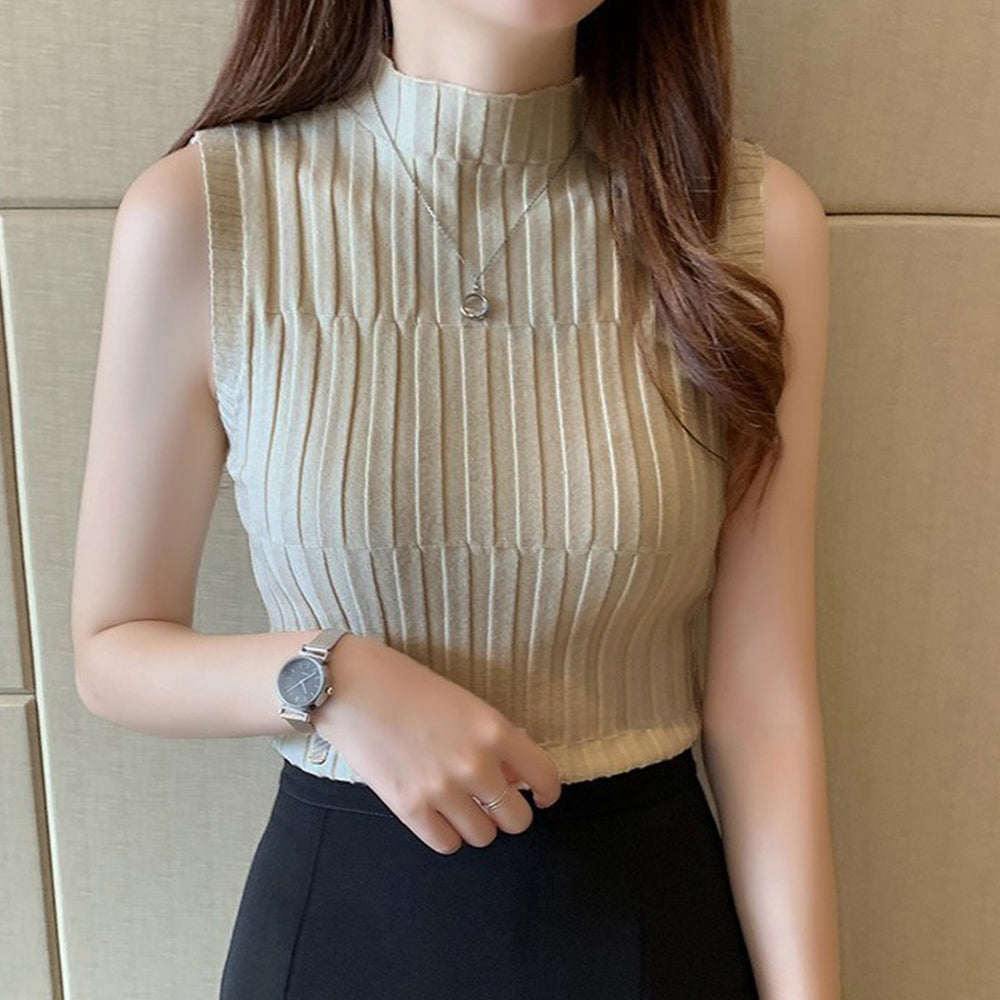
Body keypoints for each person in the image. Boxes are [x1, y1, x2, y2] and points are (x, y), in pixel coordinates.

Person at [71, 1, 841, 998]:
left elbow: (764, 704)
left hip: (650, 936)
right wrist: (329, 677)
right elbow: (112, 650)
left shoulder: (744, 227)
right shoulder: (203, 214)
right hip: (340, 943)